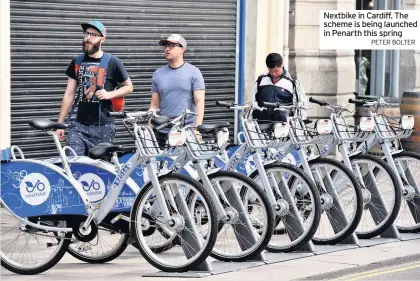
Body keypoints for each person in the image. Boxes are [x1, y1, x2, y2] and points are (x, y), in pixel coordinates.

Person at [56, 21, 133, 156]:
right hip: (79, 125)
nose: (88, 38)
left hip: (104, 126)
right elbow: (69, 94)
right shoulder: (77, 61)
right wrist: (60, 124)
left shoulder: (113, 61)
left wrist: (109, 94)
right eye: (86, 34)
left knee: (101, 169)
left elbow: (129, 87)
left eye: (93, 34)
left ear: (102, 38)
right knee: (73, 164)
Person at [149, 34, 205, 148]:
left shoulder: (194, 72)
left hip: (186, 131)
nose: (167, 49)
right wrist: (149, 130)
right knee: (162, 164)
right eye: (165, 46)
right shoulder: (158, 74)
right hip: (162, 130)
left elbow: (199, 102)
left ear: (182, 49)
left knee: (188, 165)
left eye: (172, 45)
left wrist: (197, 130)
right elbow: (154, 105)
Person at [252, 53, 308, 122]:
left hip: (283, 127)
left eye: (276, 70)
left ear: (282, 64)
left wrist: (298, 124)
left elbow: (301, 105)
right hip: (261, 125)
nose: (273, 74)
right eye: (270, 71)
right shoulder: (261, 80)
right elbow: (253, 103)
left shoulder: (293, 82)